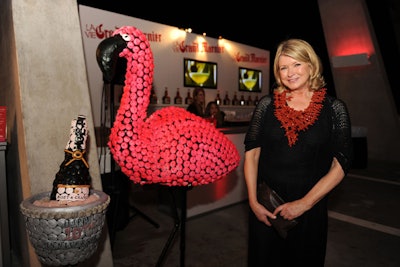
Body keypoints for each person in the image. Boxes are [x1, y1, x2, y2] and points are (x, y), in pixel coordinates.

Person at [243, 39, 353, 266]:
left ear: (311, 65)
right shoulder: (266, 105)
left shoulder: (334, 109)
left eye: (296, 65)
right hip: (267, 208)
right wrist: (254, 202)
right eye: (283, 67)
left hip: (310, 210)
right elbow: (252, 154)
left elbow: (341, 163)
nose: (290, 73)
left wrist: (304, 203)